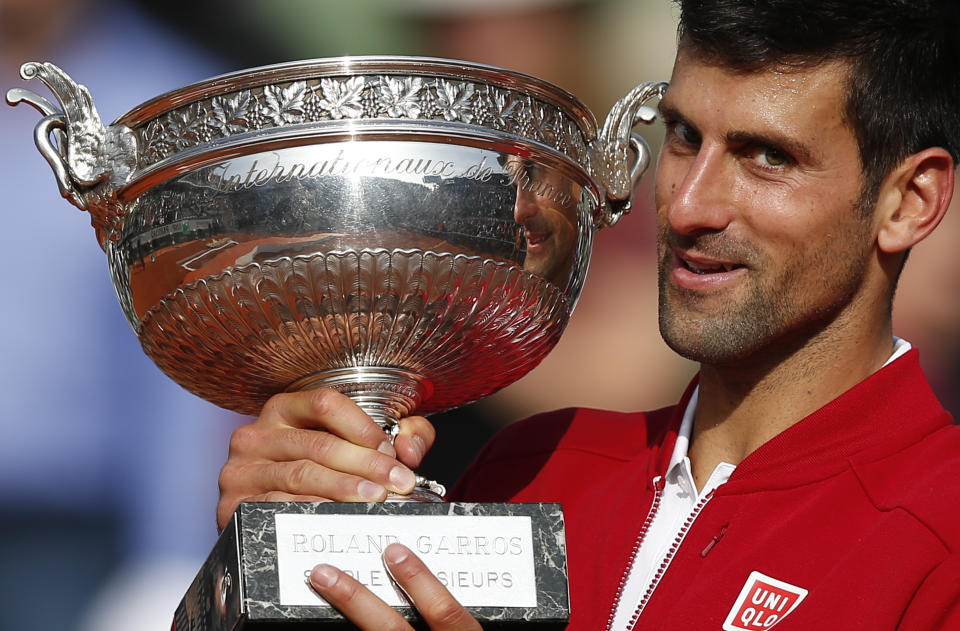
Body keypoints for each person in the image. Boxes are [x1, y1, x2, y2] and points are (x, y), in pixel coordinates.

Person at [215, 0, 960, 629]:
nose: (690, 204)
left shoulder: (941, 534)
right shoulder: (534, 464)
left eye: (767, 157)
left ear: (909, 201)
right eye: (683, 136)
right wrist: (276, 553)